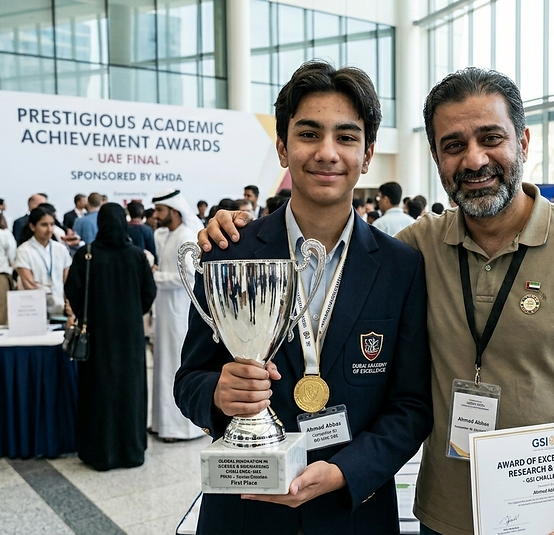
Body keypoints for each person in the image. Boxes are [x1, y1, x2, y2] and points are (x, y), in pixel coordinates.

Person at [200, 66, 554, 535]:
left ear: (522, 143)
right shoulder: (417, 250)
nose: (474, 159)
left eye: (490, 137)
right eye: (454, 145)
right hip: (441, 516)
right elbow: (192, 375)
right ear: (437, 158)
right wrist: (217, 393)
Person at [175, 60, 432, 535]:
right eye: (309, 134)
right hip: (245, 509)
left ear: (368, 153)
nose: (327, 153)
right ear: (282, 147)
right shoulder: (229, 252)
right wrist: (216, 393)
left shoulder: (402, 267)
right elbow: (189, 377)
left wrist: (344, 472)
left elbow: (412, 405)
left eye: (347, 137)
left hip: (354, 512)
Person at [65, 203, 156, 471]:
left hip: (97, 335)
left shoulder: (87, 254)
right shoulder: (137, 256)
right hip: (129, 337)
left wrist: (88, 313)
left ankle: (99, 453)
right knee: (130, 391)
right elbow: (148, 294)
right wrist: (131, 313)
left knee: (99, 391)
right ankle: (131, 451)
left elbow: (73, 290)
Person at [150, 189, 206, 442]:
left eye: (160, 210)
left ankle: (180, 428)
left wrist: (155, 276)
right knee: (163, 364)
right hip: (165, 310)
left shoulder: (186, 236)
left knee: (175, 363)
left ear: (173, 211)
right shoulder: (168, 235)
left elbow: (190, 278)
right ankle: (163, 424)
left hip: (179, 311)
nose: (156, 215)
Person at [14, 207, 73, 317]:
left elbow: (68, 280)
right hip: (33, 308)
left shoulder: (60, 249)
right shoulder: (24, 250)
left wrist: (69, 303)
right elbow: (28, 283)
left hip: (61, 306)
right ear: (32, 226)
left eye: (52, 224)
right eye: (44, 225)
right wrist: (49, 295)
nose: (49, 229)